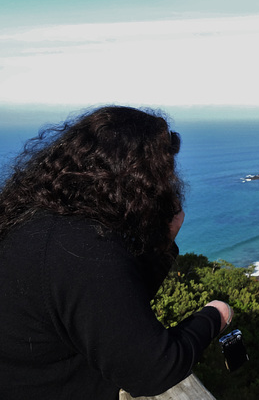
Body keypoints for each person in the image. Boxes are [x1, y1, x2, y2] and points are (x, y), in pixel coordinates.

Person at [0, 106, 232, 399]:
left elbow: (112, 311)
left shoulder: (47, 222)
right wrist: (215, 316)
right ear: (135, 178)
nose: (170, 183)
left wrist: (163, 244)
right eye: (161, 174)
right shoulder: (79, 248)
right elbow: (154, 370)